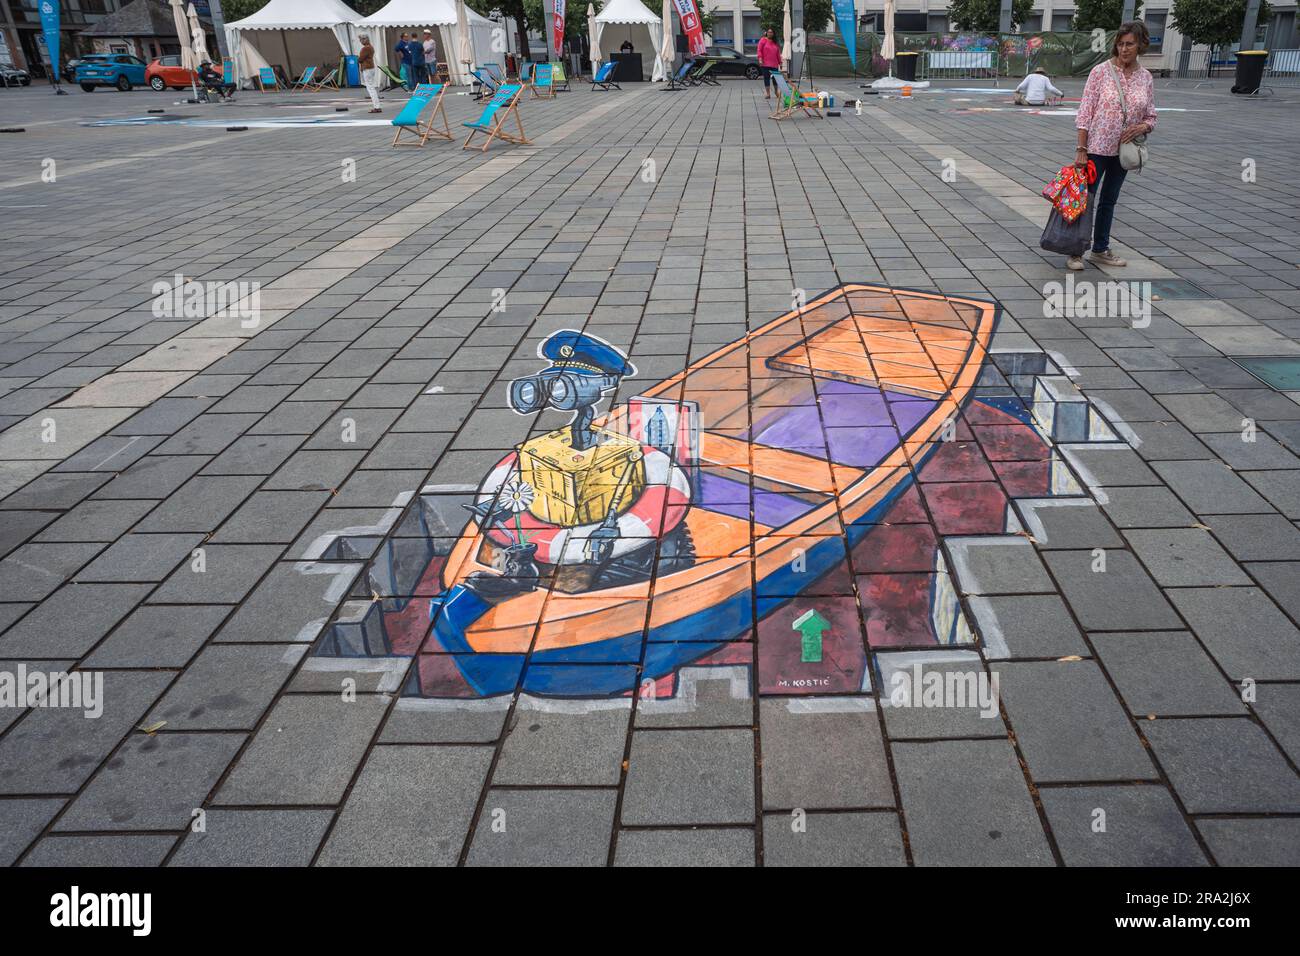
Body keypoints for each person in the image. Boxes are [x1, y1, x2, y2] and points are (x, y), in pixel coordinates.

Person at [1070, 20, 1157, 271]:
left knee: (1109, 201)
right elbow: (1085, 111)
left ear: (1141, 44)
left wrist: (1142, 127)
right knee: (1085, 198)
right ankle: (1075, 251)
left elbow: (1151, 115)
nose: (1124, 49)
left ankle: (1100, 249)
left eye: (1129, 44)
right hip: (1096, 148)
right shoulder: (1100, 72)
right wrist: (1081, 149)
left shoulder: (1146, 78)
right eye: (1120, 44)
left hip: (1124, 151)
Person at [358, 36, 381, 112]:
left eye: (361, 40)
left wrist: (358, 59)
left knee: (370, 88)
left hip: (367, 68)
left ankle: (377, 107)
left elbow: (360, 59)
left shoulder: (365, 48)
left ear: (365, 40)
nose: (360, 41)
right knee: (371, 87)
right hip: (371, 67)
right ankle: (377, 106)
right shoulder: (371, 47)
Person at [757, 29, 781, 100]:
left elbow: (778, 53)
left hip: (774, 64)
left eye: (771, 32)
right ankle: (768, 94)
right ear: (766, 33)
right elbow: (759, 50)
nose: (770, 33)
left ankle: (776, 92)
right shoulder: (763, 40)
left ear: (773, 34)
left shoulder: (775, 42)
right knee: (766, 78)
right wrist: (760, 59)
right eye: (769, 32)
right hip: (765, 64)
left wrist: (780, 62)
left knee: (775, 79)